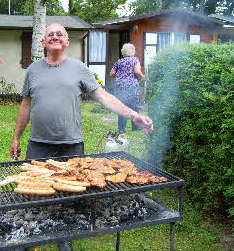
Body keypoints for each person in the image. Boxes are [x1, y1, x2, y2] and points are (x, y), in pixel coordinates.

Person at [9, 23, 152, 251]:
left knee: (69, 193)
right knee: (34, 190)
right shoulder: (33, 70)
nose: (55, 36)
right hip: (38, 143)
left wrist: (133, 114)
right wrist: (16, 137)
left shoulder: (78, 68)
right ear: (43, 42)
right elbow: (25, 105)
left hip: (71, 144)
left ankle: (63, 234)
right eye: (50, 34)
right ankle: (30, 232)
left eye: (60, 34)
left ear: (67, 42)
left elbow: (103, 96)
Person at [109, 43, 145, 134]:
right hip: (131, 86)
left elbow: (111, 74)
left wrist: (120, 77)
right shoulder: (135, 60)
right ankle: (135, 127)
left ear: (123, 52)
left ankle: (121, 129)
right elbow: (137, 71)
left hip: (120, 87)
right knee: (134, 106)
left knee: (121, 106)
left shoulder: (119, 61)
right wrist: (143, 77)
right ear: (132, 51)